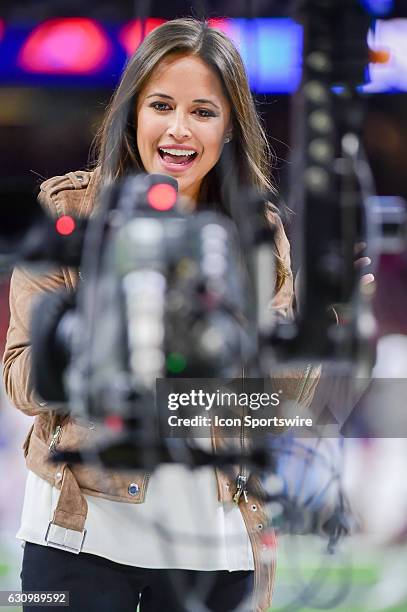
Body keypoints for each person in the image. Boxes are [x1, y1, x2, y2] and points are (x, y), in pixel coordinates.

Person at [3, 18, 319, 612]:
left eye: (203, 111)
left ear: (230, 128)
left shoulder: (258, 229)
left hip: (220, 548)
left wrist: (321, 317)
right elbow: (21, 380)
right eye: (161, 105)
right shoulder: (68, 209)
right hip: (77, 538)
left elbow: (274, 403)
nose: (178, 129)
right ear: (132, 114)